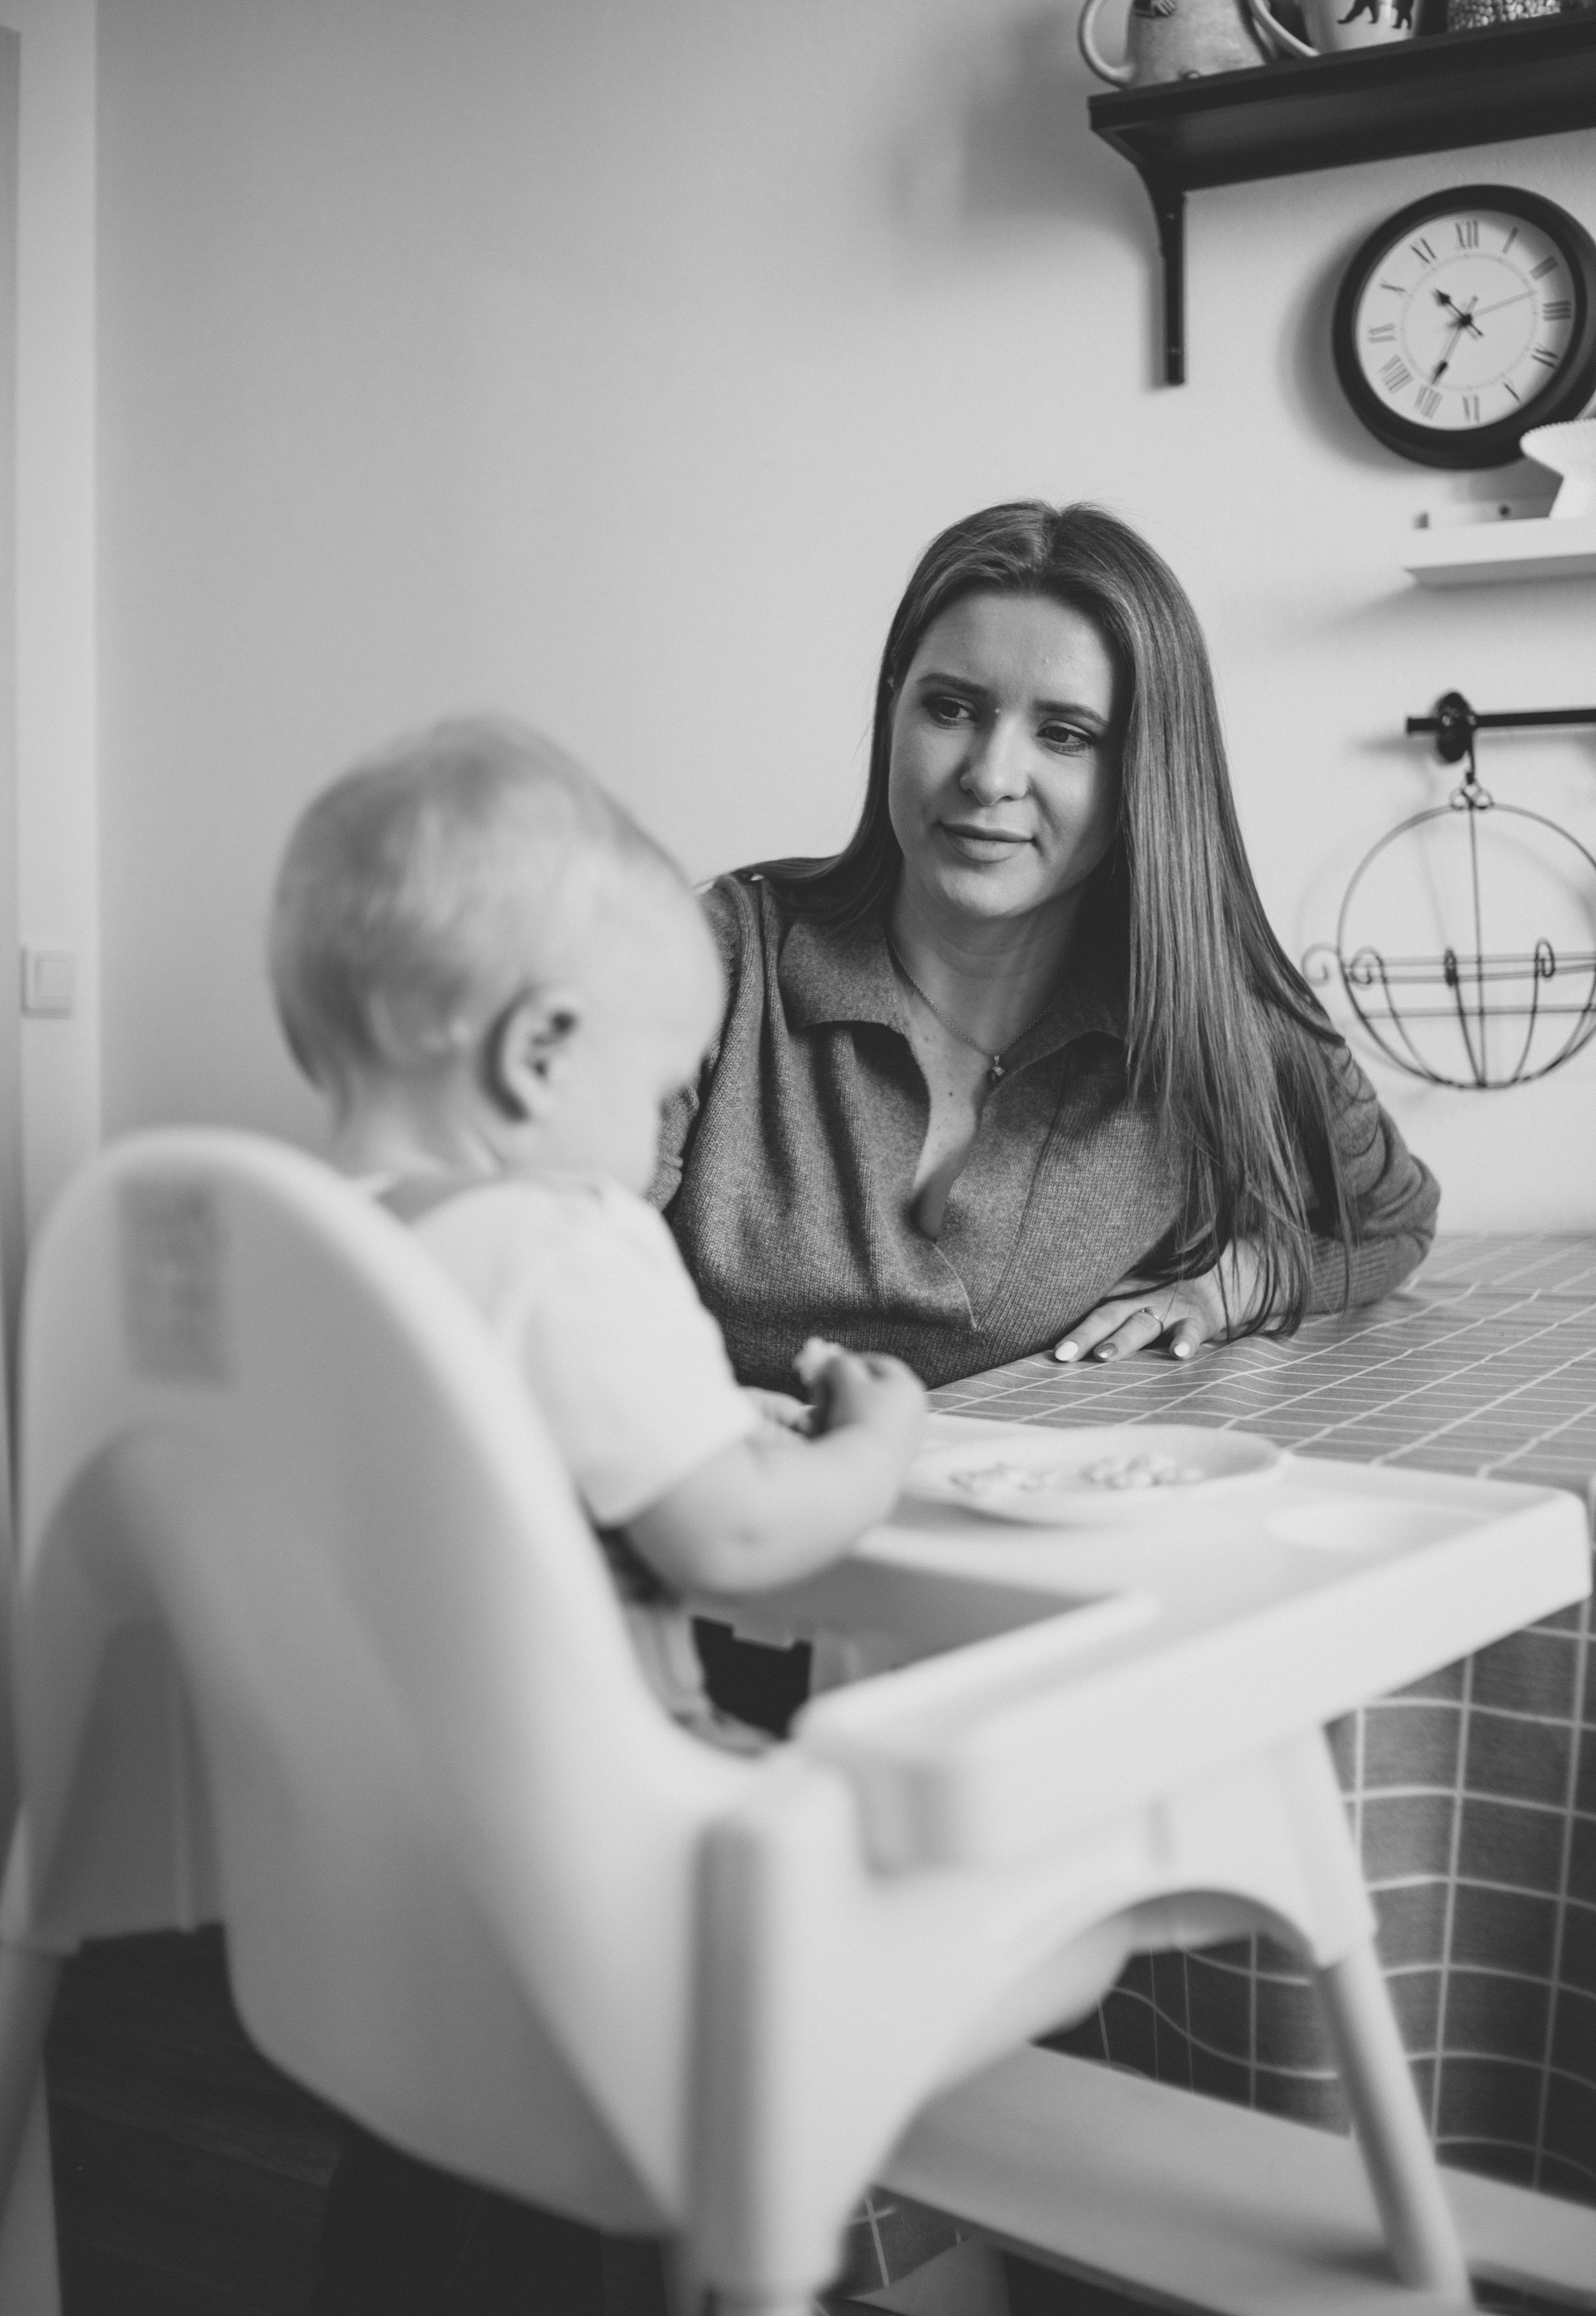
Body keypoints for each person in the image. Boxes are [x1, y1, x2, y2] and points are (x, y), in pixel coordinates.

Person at [269, 714, 926, 2316]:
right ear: (539, 1054)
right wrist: (876, 1448)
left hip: (357, 1892)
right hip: (593, 1889)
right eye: (658, 1098)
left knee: (434, 2224)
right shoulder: (561, 1247)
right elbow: (740, 1542)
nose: (657, 1153)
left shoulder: (294, 1254)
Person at [656, 501, 1438, 1397]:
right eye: (951, 709)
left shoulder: (1219, 1019)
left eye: (1064, 734)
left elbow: (1394, 1225)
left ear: (1145, 771)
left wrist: (1237, 1283)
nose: (990, 777)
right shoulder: (705, 961)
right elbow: (540, 1263)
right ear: (892, 716)